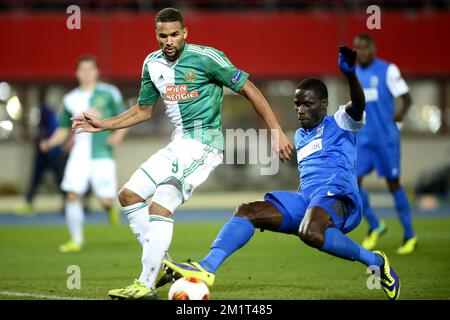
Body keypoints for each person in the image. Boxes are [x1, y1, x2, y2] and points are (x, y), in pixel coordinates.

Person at [71, 7, 293, 300]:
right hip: (179, 144)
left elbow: (249, 88)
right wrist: (102, 126)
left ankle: (146, 282)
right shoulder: (151, 64)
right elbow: (143, 110)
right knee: (128, 196)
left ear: (185, 33)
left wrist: (276, 131)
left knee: (159, 206)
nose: (170, 40)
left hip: (205, 144)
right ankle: (161, 266)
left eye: (175, 34)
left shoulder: (206, 58)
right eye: (163, 36)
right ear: (156, 36)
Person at [163, 46, 401, 301]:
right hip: (308, 198)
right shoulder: (300, 135)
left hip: (338, 195)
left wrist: (351, 74)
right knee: (247, 211)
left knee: (310, 231)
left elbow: (358, 104)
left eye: (307, 104)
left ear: (324, 104)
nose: (300, 110)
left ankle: (376, 261)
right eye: (297, 104)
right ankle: (207, 266)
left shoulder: (341, 122)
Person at [40, 55, 127, 253]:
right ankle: (76, 240)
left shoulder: (109, 93)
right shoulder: (70, 98)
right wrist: (50, 142)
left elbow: (124, 116)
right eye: (83, 69)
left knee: (105, 200)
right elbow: (63, 128)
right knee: (72, 195)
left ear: (97, 72)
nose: (86, 73)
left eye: (90, 69)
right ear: (77, 73)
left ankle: (109, 207)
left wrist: (118, 135)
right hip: (79, 154)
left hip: (102, 152)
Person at [353, 33, 417, 254]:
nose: (360, 51)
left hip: (385, 139)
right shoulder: (355, 74)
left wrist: (399, 115)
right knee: (354, 182)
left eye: (364, 47)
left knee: (393, 184)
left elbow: (407, 98)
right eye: (357, 48)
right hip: (363, 140)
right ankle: (375, 225)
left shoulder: (388, 70)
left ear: (373, 48)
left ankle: (409, 235)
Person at [16, 98, 66, 215]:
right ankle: (29, 203)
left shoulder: (49, 114)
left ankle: (67, 204)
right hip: (45, 153)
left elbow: (56, 132)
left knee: (59, 180)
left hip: (53, 153)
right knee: (37, 179)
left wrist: (50, 145)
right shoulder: (46, 115)